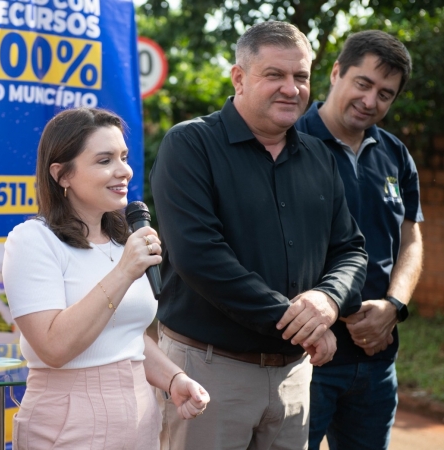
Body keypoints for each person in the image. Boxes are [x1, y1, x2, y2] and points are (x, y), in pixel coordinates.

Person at [149, 21, 369, 450]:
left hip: (294, 377)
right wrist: (302, 326)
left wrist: (327, 300)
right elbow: (200, 256)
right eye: (275, 75)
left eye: (301, 77)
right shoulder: (190, 145)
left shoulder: (321, 158)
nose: (291, 88)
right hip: (207, 373)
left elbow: (351, 250)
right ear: (239, 78)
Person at [2, 107, 210, 450]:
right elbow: (54, 347)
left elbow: (124, 335)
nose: (124, 170)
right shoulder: (32, 240)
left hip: (140, 417)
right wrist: (124, 272)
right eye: (104, 160)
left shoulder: (122, 240)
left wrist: (174, 378)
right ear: (62, 175)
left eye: (124, 157)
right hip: (68, 422)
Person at [295, 30, 424, 450]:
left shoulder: (395, 155)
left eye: (385, 94)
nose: (371, 101)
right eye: (363, 84)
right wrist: (339, 309)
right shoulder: (289, 142)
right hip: (306, 358)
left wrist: (395, 306)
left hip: (376, 359)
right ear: (336, 73)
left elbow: (411, 238)